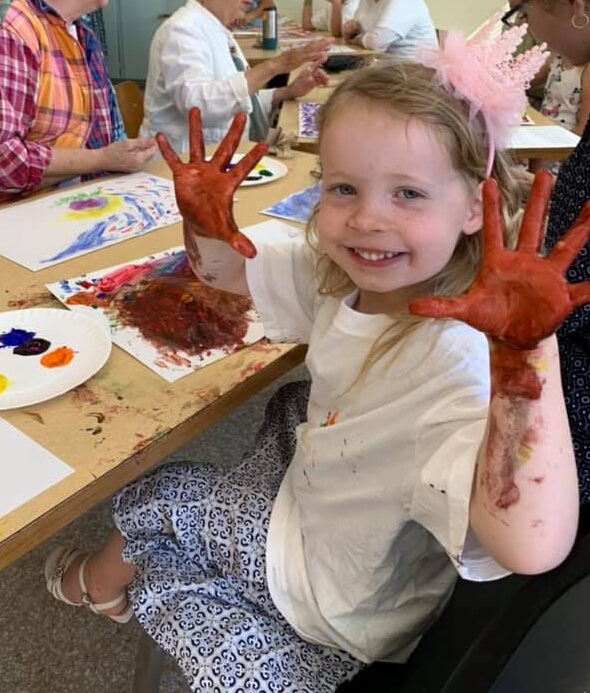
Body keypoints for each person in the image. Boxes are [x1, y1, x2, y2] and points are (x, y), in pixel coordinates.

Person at [44, 29, 590, 693]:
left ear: (477, 206)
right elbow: (225, 273)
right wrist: (205, 224)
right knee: (280, 414)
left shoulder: (459, 362)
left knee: (157, 490)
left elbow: (531, 544)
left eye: (408, 194)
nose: (367, 219)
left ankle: (93, 588)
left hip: (336, 590)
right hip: (328, 499)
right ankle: (116, 581)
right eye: (343, 189)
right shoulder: (345, 276)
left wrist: (525, 359)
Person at [505, 0, 590, 503]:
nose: (529, 27)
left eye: (527, 9)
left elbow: (562, 303)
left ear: (576, 8)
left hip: (571, 401)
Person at [0, 0, 156, 203]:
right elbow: (4, 159)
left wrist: (122, 157)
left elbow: (111, 136)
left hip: (87, 201)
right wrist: (101, 159)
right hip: (26, 218)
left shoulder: (84, 34)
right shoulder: (13, 28)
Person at [139, 0, 331, 151]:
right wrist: (275, 65)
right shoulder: (182, 30)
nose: (250, 1)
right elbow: (198, 107)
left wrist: (286, 92)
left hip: (216, 161)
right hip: (178, 170)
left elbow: (240, 102)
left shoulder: (218, 30)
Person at [342, 0, 437, 58]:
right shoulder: (366, 1)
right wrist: (350, 31)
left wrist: (355, 39)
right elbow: (356, 27)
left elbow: (377, 42)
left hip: (415, 72)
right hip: (388, 67)